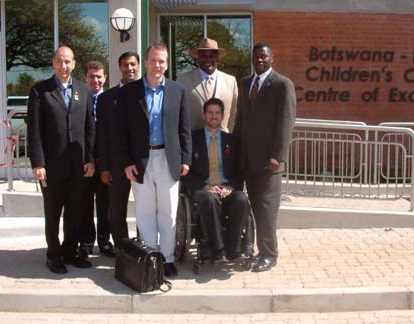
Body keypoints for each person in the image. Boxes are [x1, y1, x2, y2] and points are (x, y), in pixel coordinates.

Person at [117, 42, 191, 277]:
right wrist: (126, 161)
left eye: (162, 61)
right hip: (140, 160)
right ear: (145, 62)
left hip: (168, 159)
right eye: (153, 60)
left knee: (168, 212)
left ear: (167, 64)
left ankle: (167, 258)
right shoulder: (129, 92)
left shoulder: (178, 91)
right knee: (145, 212)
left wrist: (186, 159)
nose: (157, 65)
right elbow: (123, 131)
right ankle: (150, 258)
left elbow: (184, 129)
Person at [27, 46, 95, 274]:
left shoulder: (84, 91)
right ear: (53, 63)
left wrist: (91, 159)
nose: (64, 66)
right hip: (52, 167)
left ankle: (70, 251)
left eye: (67, 62)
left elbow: (89, 130)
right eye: (59, 61)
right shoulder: (40, 91)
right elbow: (34, 130)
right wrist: (38, 163)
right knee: (53, 213)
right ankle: (53, 255)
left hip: (78, 165)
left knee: (75, 212)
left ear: (74, 64)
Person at [233, 42, 296, 272]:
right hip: (247, 159)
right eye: (256, 56)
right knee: (253, 207)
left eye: (264, 56)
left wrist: (277, 156)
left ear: (272, 58)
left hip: (269, 162)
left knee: (267, 209)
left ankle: (269, 254)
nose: (259, 60)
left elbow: (286, 123)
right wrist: (234, 152)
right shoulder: (245, 83)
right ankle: (251, 250)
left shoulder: (282, 85)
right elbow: (241, 120)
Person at [185, 97, 249, 264]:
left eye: (217, 113)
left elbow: (239, 171)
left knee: (242, 199)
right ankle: (218, 250)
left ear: (222, 116)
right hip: (203, 190)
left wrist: (230, 187)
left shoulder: (232, 141)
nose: (214, 116)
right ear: (204, 115)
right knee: (210, 199)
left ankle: (234, 250)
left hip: (225, 188)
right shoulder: (192, 140)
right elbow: (185, 171)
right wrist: (205, 186)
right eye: (210, 113)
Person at [97, 51, 140, 249]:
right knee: (117, 210)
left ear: (139, 66)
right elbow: (102, 135)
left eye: (133, 64)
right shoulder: (107, 98)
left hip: (143, 162)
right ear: (119, 67)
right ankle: (122, 249)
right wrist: (104, 167)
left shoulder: (148, 92)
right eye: (125, 64)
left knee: (145, 208)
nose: (129, 68)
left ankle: (143, 247)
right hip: (115, 164)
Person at [79, 61, 114, 258]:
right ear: (85, 77)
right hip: (84, 163)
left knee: (105, 205)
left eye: (99, 76)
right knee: (84, 204)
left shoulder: (109, 100)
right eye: (92, 76)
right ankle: (86, 241)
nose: (95, 80)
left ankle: (104, 241)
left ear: (105, 78)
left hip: (105, 163)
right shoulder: (79, 98)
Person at [177, 38, 238, 132]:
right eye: (203, 56)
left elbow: (234, 114)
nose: (207, 59)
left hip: (223, 141)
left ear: (217, 58)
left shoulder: (230, 81)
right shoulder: (183, 80)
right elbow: (177, 114)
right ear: (197, 58)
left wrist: (230, 138)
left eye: (212, 56)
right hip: (193, 142)